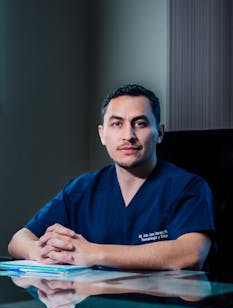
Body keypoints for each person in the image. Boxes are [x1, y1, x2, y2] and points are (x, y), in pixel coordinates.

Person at [8, 83, 216, 271]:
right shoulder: (82, 189)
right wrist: (39, 251)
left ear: (160, 133)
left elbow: (190, 254)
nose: (128, 135)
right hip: (99, 305)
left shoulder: (187, 187)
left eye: (140, 123)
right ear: (102, 134)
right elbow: (18, 240)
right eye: (117, 124)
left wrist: (91, 253)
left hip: (164, 307)